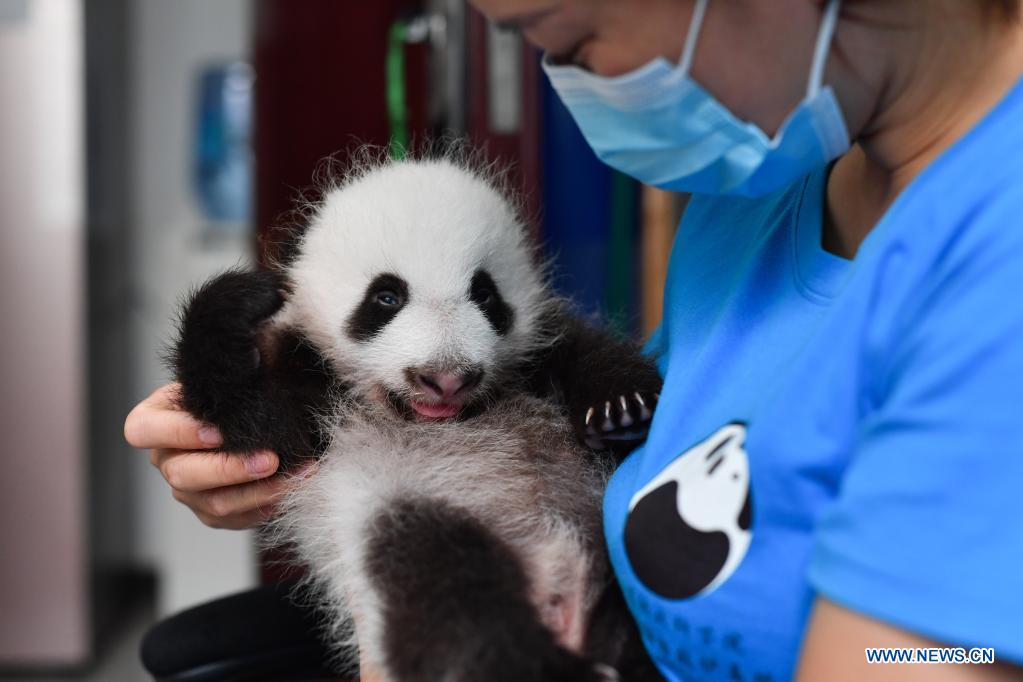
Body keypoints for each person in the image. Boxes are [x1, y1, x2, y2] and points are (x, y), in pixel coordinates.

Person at [126, 0, 1023, 679]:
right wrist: (235, 422)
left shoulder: (994, 252)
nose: (575, 85)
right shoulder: (758, 197)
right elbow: (667, 444)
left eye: (574, 43)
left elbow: (935, 660)